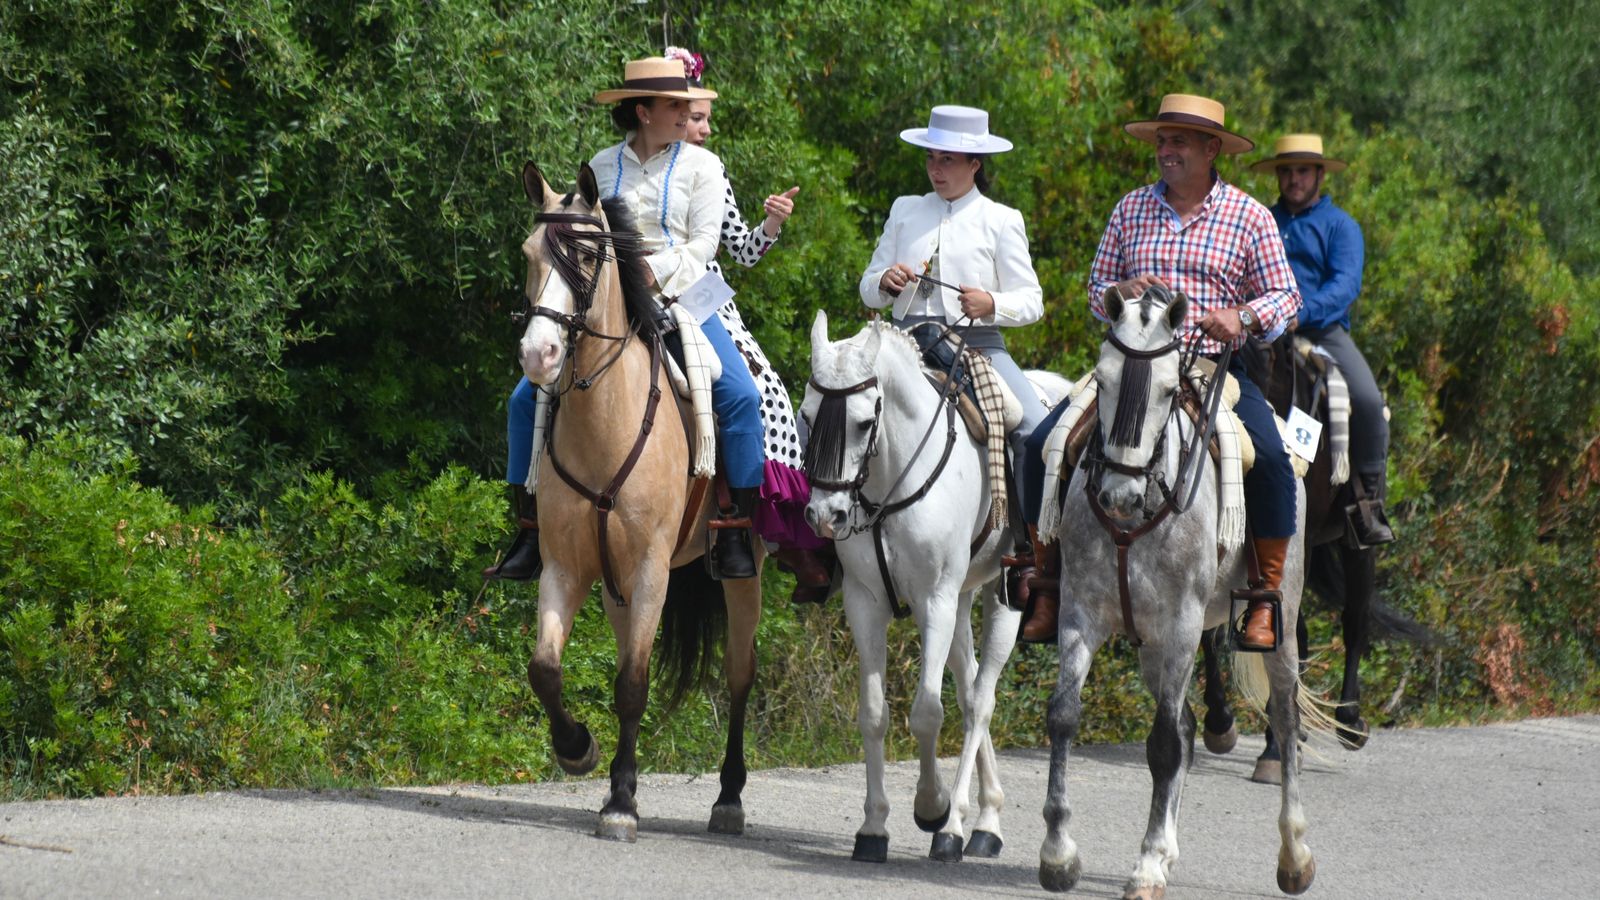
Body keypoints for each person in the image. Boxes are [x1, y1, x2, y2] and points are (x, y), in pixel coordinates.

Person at [1019, 93, 1302, 649]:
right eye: (1161, 142)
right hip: (1130, 372)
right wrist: (1116, 292)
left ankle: (1263, 598)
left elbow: (1287, 298)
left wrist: (1240, 314)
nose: (1165, 152)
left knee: (1269, 458)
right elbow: (1096, 293)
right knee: (1039, 445)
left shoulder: (1250, 216)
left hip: (1209, 368)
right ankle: (1047, 583)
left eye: (1177, 142)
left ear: (1210, 148)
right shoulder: (1130, 209)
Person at [482, 56, 766, 583]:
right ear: (643, 110)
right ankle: (527, 528)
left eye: (686, 105)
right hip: (608, 303)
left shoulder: (704, 167)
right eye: (674, 105)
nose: (686, 113)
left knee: (741, 396)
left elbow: (704, 246)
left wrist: (649, 273)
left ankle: (733, 525)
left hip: (683, 297)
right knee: (524, 397)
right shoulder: (602, 163)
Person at [858, 104, 1050, 605]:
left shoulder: (1002, 220)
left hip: (976, 345)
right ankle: (819, 542)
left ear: (974, 165)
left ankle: (1032, 555)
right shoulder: (905, 209)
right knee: (829, 403)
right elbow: (868, 287)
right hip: (901, 342)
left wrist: (992, 304)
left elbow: (1032, 301)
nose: (936, 170)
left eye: (947, 160)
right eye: (931, 160)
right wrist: (884, 280)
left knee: (1032, 428)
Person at [668, 46, 835, 602]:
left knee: (766, 394)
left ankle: (765, 529)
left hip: (704, 298)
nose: (706, 130)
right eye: (698, 119)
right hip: (640, 292)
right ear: (666, 114)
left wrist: (770, 223)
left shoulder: (712, 173)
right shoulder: (622, 167)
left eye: (705, 119)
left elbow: (742, 250)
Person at [1249, 134, 1394, 546]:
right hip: (1264, 329)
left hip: (1322, 332)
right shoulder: (1263, 220)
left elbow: (1344, 286)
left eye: (1302, 171)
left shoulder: (1341, 226)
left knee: (1366, 400)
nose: (1293, 179)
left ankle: (1366, 502)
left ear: (1319, 174)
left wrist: (1299, 312)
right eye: (1286, 171)